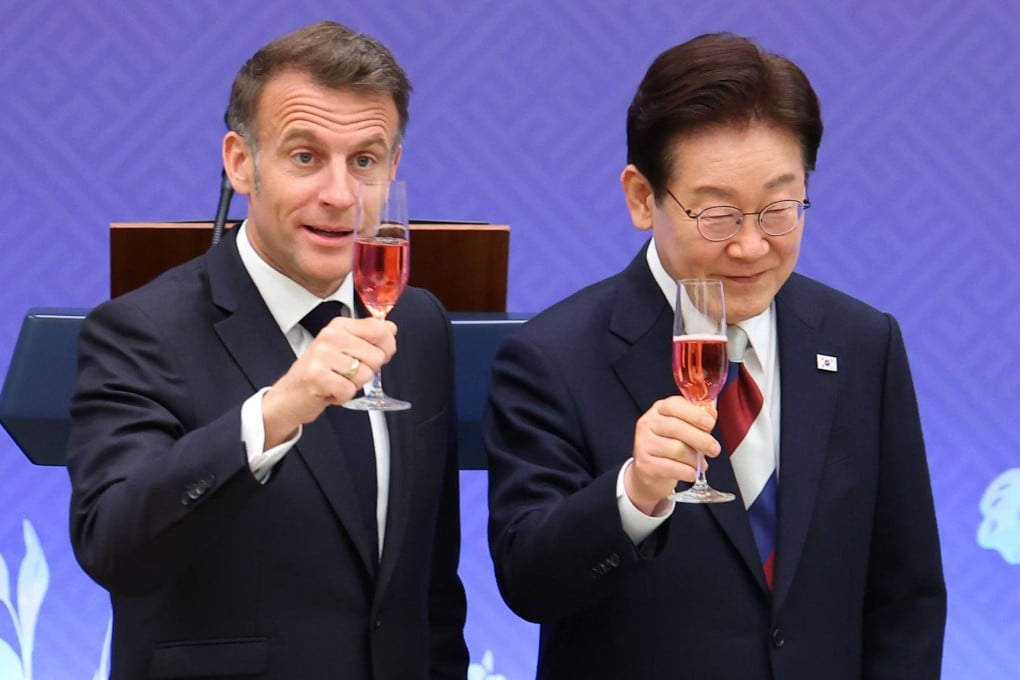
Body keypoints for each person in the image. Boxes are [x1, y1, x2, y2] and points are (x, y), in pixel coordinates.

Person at [485, 32, 945, 679]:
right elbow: (528, 582)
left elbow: (907, 594)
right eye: (720, 216)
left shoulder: (862, 343)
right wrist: (633, 496)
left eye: (780, 209)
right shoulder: (551, 357)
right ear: (642, 197)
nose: (754, 246)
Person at [66, 21, 468, 679]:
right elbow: (113, 544)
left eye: (364, 160)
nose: (339, 196)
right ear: (240, 162)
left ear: (393, 167)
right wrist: (276, 412)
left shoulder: (417, 325)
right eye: (305, 157)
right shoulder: (138, 329)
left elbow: (430, 587)